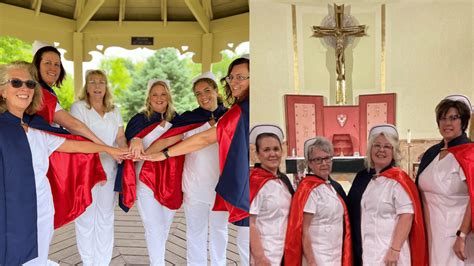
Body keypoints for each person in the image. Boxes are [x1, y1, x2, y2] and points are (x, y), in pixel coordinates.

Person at [0, 61, 126, 265]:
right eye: (16, 83)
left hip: (42, 205)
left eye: (30, 84)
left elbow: (74, 146)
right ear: (2, 91)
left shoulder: (38, 129)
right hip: (11, 209)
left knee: (38, 255)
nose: (24, 89)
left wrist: (109, 149)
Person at [143, 56, 250, 265]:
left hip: (220, 186)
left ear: (216, 91)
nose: (203, 96)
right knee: (195, 231)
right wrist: (144, 153)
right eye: (198, 93)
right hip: (194, 185)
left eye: (207, 91)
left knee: (219, 230)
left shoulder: (231, 115)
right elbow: (168, 139)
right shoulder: (188, 118)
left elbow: (211, 142)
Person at [70, 69, 127, 265]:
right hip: (85, 172)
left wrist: (124, 151)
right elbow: (79, 136)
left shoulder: (114, 110)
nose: (97, 86)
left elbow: (120, 137)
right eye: (92, 82)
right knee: (85, 218)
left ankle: (102, 262)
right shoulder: (78, 108)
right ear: (86, 86)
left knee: (105, 218)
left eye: (101, 82)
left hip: (109, 170)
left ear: (106, 86)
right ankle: (88, 261)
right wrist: (108, 149)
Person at [120, 78, 180, 265]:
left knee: (165, 225)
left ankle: (158, 259)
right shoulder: (139, 120)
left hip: (170, 179)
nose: (159, 98)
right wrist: (135, 139)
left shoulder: (178, 120)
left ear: (169, 96)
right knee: (154, 226)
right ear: (149, 98)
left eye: (163, 94)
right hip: (145, 179)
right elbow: (128, 145)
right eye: (155, 94)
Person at [348, 124, 426, 266]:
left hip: (391, 254)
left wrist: (394, 250)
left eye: (387, 146)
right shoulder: (368, 179)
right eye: (377, 145)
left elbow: (406, 215)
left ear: (394, 151)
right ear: (370, 149)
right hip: (371, 251)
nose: (381, 150)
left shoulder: (398, 180)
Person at [417, 95, 474, 265]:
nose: (447, 123)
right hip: (432, 232)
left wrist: (462, 235)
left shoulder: (469, 154)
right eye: (442, 118)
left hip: (457, 236)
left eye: (453, 117)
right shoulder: (432, 153)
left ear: (463, 122)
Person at [284, 137, 351, 266]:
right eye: (318, 160)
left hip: (334, 255)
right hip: (317, 257)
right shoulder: (309, 189)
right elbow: (304, 230)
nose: (324, 163)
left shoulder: (331, 187)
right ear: (310, 163)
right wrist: (311, 261)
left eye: (327, 158)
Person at [32, 45, 104, 144]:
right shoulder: (39, 92)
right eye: (48, 63)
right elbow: (73, 125)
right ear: (37, 66)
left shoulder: (48, 91)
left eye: (57, 64)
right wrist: (103, 146)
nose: (53, 68)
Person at [249, 124, 295, 265]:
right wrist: (259, 257)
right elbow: (250, 223)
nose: (272, 154)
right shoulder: (255, 181)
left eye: (276, 149)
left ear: (282, 151)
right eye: (266, 150)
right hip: (265, 254)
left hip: (284, 252)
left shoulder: (284, 181)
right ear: (257, 154)